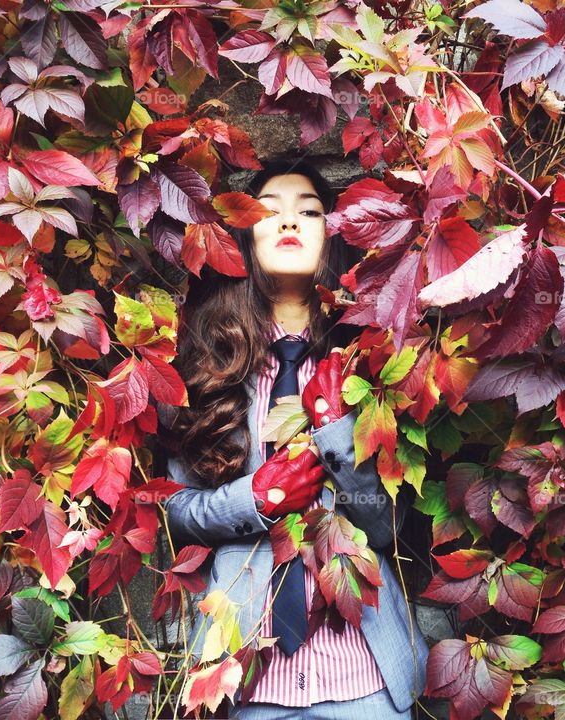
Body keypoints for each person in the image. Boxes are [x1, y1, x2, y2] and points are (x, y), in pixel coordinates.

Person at [159, 159, 428, 719]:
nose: (289, 223)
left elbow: (388, 526)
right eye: (269, 211)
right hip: (248, 681)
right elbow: (174, 512)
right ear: (243, 234)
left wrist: (333, 426)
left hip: (364, 680)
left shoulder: (376, 363)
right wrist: (256, 500)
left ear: (334, 236)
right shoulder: (205, 368)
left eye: (309, 211)